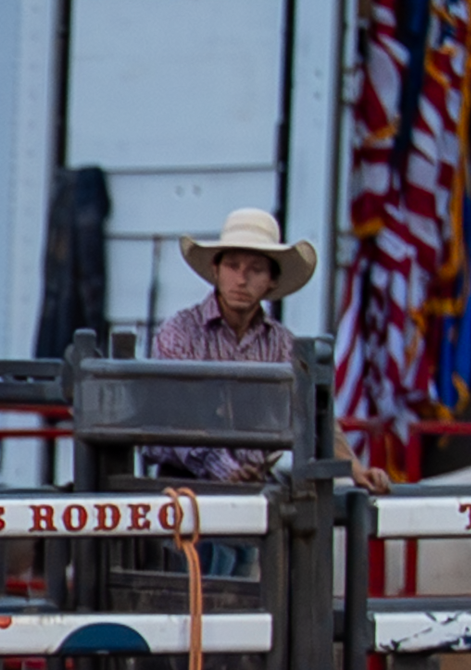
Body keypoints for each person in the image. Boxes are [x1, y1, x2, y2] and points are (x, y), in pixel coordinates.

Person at [146, 207, 385, 493]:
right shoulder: (180, 332)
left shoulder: (282, 344)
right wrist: (225, 469)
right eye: (232, 266)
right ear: (216, 270)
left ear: (271, 280)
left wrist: (356, 470)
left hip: (256, 488)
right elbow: (177, 417)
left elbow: (315, 412)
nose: (241, 279)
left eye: (255, 269)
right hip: (182, 489)